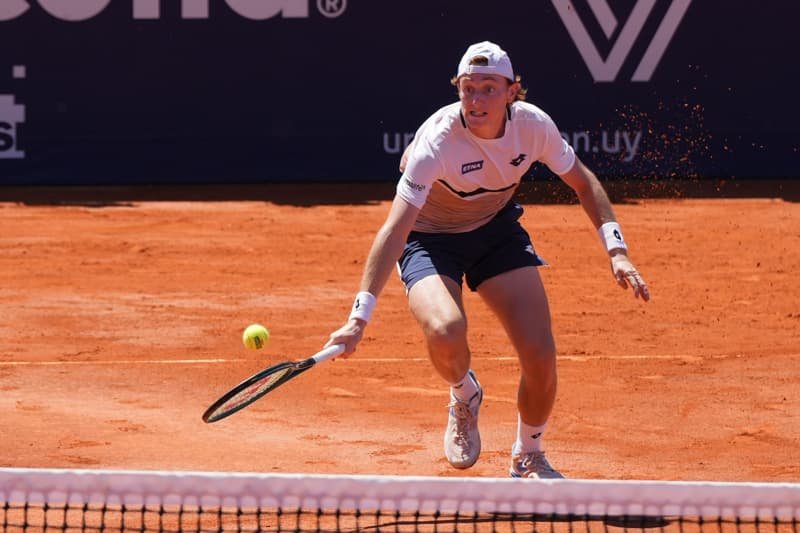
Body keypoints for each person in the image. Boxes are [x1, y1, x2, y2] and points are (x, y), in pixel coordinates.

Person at [326, 41, 649, 478]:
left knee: (540, 354)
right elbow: (395, 229)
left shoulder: (533, 127)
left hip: (496, 233)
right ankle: (464, 394)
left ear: (512, 91)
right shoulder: (435, 143)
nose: (476, 100)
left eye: (488, 89)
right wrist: (359, 318)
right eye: (468, 88)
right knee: (445, 331)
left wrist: (617, 251)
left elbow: (583, 183)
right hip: (429, 240)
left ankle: (528, 455)